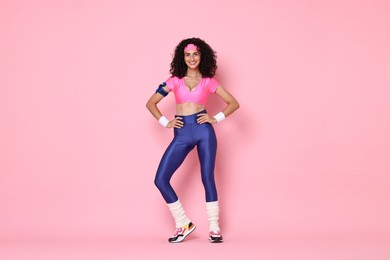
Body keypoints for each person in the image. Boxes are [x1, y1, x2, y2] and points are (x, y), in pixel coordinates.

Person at [146, 37, 239, 243]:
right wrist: (165, 122)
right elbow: (151, 103)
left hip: (204, 131)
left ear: (201, 56)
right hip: (182, 133)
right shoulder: (174, 81)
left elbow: (233, 103)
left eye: (195, 54)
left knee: (207, 177)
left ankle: (214, 227)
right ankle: (183, 223)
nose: (191, 58)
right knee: (161, 179)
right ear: (182, 57)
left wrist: (215, 118)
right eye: (187, 54)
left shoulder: (209, 82)